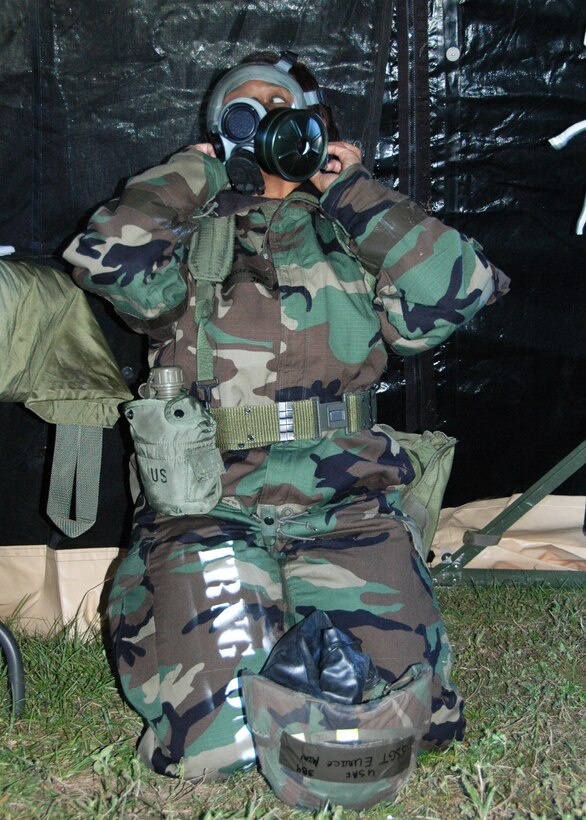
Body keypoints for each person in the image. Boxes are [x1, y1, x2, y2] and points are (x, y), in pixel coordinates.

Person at [64, 51, 509, 782]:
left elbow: (457, 290)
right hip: (209, 504)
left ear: (314, 122)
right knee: (219, 748)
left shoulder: (356, 228)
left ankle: (297, 619)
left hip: (347, 501)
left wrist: (351, 187)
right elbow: (107, 257)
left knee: (415, 718)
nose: (267, 118)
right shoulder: (191, 230)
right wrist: (199, 170)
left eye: (284, 106)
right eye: (247, 110)